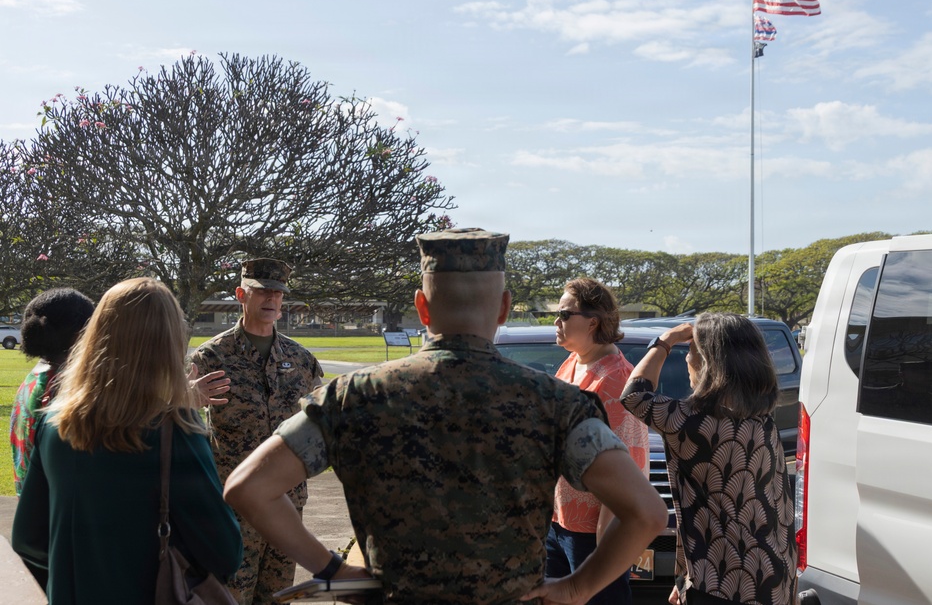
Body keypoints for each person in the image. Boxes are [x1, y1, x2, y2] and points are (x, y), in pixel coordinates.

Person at [223, 228, 666, 605]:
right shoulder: (558, 404)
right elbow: (646, 513)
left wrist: (333, 571)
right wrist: (577, 588)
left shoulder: (353, 397)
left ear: (421, 307)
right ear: (503, 307)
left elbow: (249, 487)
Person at [11, 277, 243, 604]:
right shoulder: (176, 428)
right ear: (168, 343)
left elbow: (28, 539)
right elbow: (224, 552)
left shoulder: (54, 423)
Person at [620, 313, 797, 605]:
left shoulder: (690, 422)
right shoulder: (762, 422)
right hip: (771, 578)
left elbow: (634, 396)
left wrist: (666, 341)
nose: (686, 360)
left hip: (719, 584)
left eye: (690, 352)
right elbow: (781, 510)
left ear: (709, 362)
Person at [190, 258, 324, 605]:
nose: (271, 299)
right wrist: (189, 397)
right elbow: (179, 418)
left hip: (288, 500)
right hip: (235, 505)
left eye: (277, 293)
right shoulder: (211, 357)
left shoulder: (301, 359)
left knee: (279, 595)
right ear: (240, 295)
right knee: (231, 594)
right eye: (261, 291)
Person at [547, 278, 650, 604]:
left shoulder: (617, 377)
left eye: (564, 314)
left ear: (593, 321)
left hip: (594, 534)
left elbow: (627, 464)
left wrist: (607, 549)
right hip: (558, 523)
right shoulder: (572, 362)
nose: (556, 321)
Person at [9, 287, 94, 498]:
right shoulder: (63, 388)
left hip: (34, 512)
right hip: (52, 516)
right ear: (80, 333)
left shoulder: (34, 379)